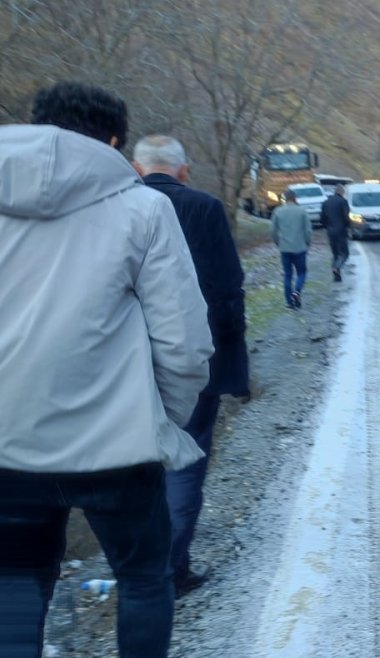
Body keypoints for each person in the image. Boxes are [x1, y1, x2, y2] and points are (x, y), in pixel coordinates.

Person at [0, 82, 213, 658]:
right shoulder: (144, 208)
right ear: (115, 141)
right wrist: (160, 422)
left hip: (7, 440)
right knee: (144, 579)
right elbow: (184, 343)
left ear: (37, 124)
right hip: (118, 447)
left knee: (15, 583)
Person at [133, 135, 250, 598]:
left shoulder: (115, 205)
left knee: (134, 466)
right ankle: (171, 570)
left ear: (136, 168)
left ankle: (136, 567)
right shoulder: (204, 207)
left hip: (127, 361)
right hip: (195, 360)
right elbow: (226, 287)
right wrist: (233, 364)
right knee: (185, 463)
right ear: (183, 170)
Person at [271, 189, 312, 308]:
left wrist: (278, 243)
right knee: (301, 272)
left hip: (285, 248)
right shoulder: (302, 211)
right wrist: (307, 243)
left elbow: (273, 231)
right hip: (299, 248)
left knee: (288, 274)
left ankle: (289, 301)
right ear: (295, 198)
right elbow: (308, 231)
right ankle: (297, 292)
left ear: (285, 198)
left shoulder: (278, 211)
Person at [321, 183, 350, 281]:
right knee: (344, 253)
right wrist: (348, 227)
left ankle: (336, 276)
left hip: (330, 231)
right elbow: (346, 217)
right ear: (342, 192)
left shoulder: (326, 202)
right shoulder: (343, 202)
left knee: (335, 254)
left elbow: (322, 218)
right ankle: (337, 267)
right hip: (341, 231)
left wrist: (327, 227)